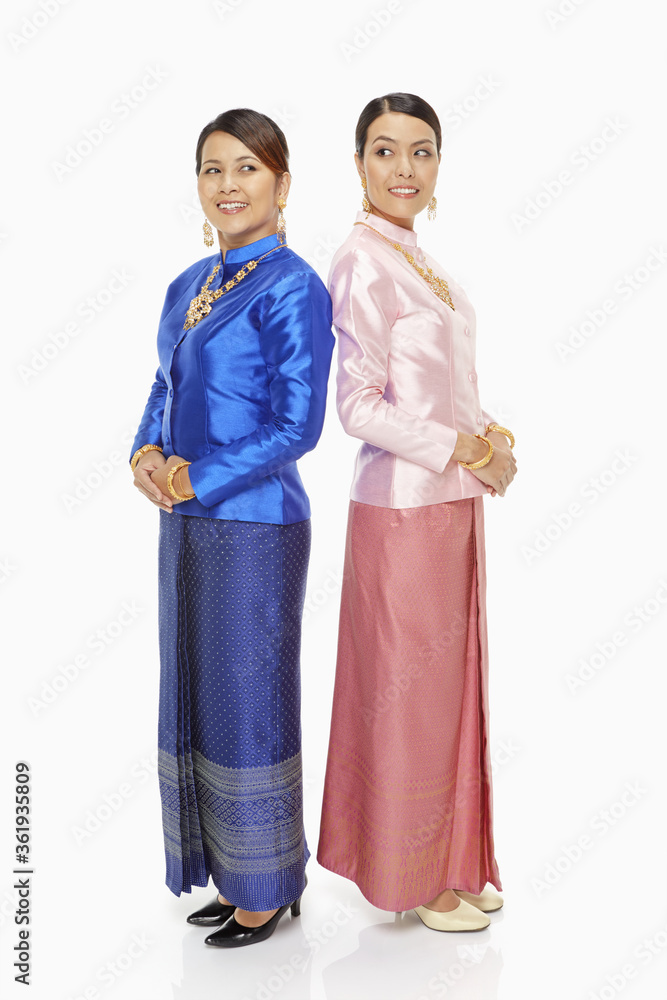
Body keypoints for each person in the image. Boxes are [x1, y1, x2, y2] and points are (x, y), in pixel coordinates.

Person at [130, 108, 334, 948]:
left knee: (249, 698)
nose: (227, 184)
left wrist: (196, 477)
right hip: (184, 524)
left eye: (246, 168)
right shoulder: (189, 283)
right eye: (212, 168)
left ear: (281, 184)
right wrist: (146, 450)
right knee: (196, 692)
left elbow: (297, 425)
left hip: (255, 528)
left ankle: (268, 885)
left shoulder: (293, 286)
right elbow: (164, 384)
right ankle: (228, 869)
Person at [317, 93, 516, 933]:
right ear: (358, 163)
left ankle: (455, 859)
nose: (404, 168)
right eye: (385, 150)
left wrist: (488, 433)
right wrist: (462, 447)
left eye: (421, 150)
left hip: (450, 505)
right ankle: (414, 875)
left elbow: (439, 387)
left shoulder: (421, 260)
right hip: (400, 513)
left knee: (451, 686)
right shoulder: (361, 260)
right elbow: (356, 406)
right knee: (409, 695)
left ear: (438, 165)